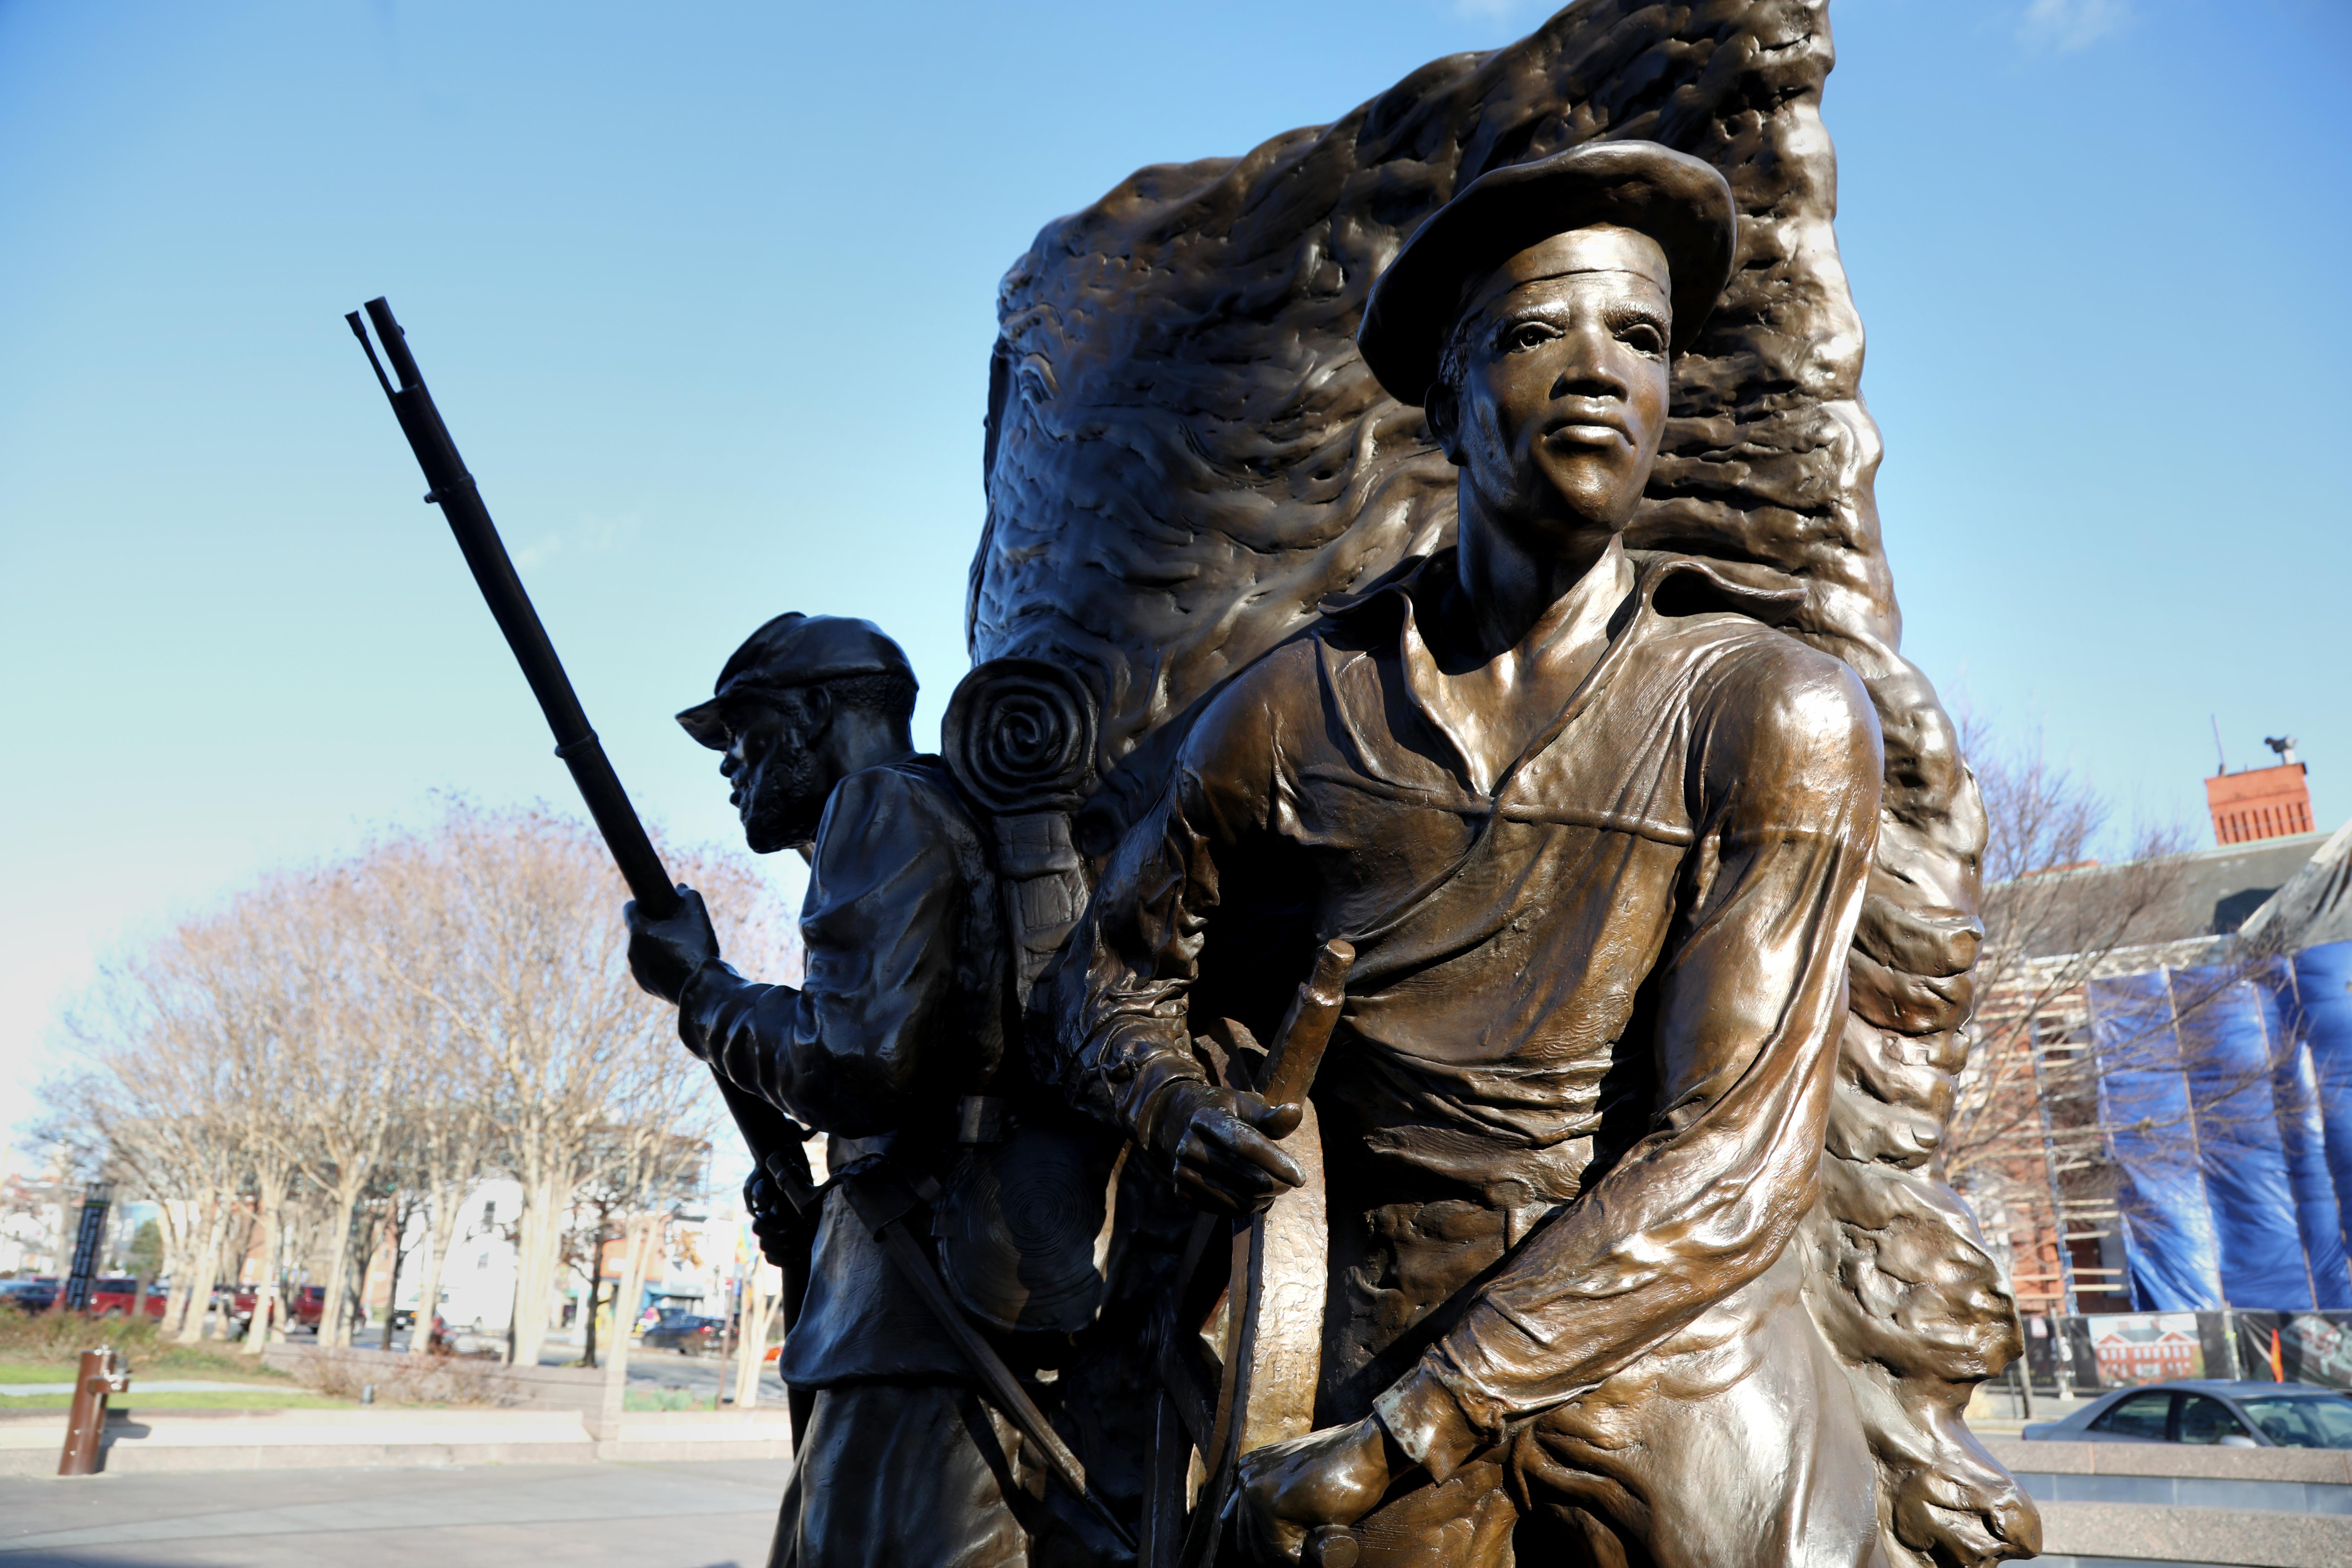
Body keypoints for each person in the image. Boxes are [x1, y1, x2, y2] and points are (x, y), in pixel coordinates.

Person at [1052, 140, 1886, 1567]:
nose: (1598, 370)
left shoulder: (1772, 711)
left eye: (1641, 338)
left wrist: (1416, 1423)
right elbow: (1105, 984)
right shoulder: (1292, 711)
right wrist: (1181, 1112)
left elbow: (1734, 1153)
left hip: (1677, 1352)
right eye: (1537, 332)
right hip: (1381, 1327)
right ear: (1447, 401)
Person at [626, 612, 1092, 1568]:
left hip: (922, 1311)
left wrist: (699, 988)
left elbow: (858, 1064)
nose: (730, 766)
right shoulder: (938, 810)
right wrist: (820, 1200)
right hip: (938, 1289)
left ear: (814, 715)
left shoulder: (880, 804)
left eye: (744, 732)